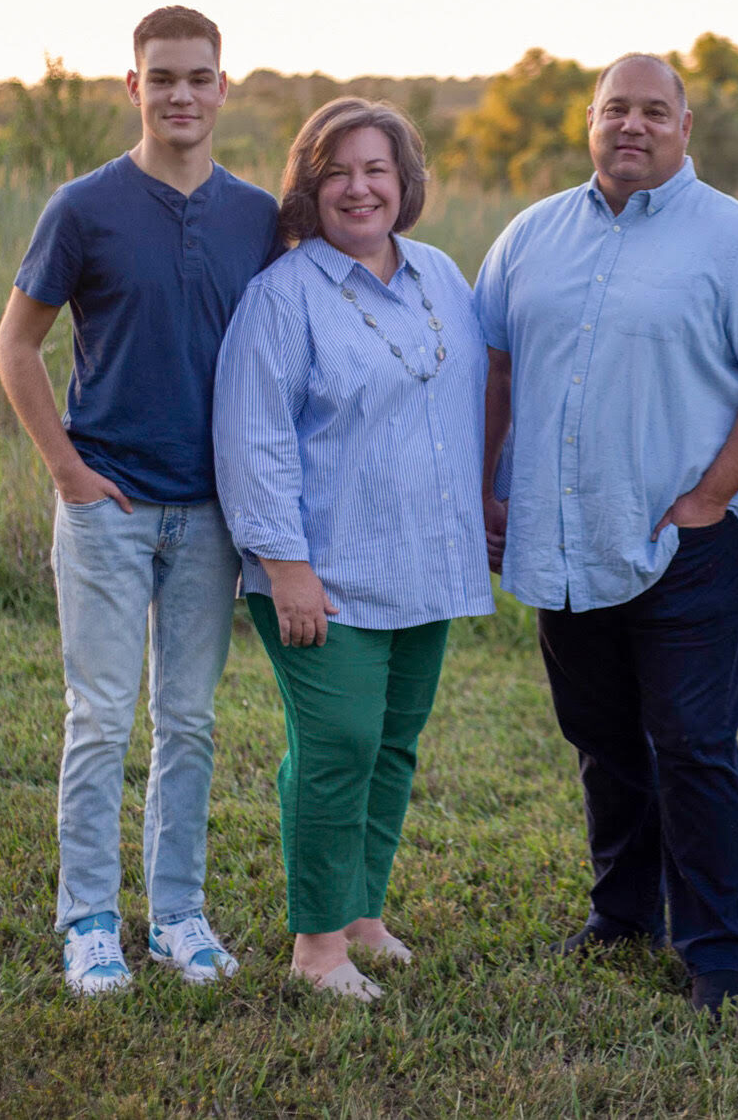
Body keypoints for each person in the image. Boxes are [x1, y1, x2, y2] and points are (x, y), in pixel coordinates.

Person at [474, 53, 738, 1016]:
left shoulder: (735, 240)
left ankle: (716, 953)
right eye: (616, 108)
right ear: (589, 121)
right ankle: (622, 914)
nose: (633, 125)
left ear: (685, 127)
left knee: (693, 742)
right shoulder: (531, 234)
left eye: (654, 111)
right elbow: (494, 364)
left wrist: (712, 495)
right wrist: (488, 488)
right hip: (561, 530)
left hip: (685, 535)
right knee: (602, 734)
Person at [0, 6, 277, 994]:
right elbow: (16, 344)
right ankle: (88, 923)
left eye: (199, 77)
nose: (182, 95)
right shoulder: (84, 207)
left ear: (222, 88)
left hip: (211, 514)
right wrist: (68, 472)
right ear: (134, 87)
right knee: (102, 719)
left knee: (190, 723)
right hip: (106, 503)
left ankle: (179, 917)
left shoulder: (258, 217)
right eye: (163, 79)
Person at [213, 98, 493, 1003]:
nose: (359, 187)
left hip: (424, 562)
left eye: (376, 169)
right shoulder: (282, 295)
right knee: (336, 742)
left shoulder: (442, 276)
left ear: (405, 182)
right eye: (337, 171)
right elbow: (252, 437)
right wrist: (284, 564)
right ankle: (318, 944)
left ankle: (364, 912)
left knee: (392, 744)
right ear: (310, 186)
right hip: (319, 569)